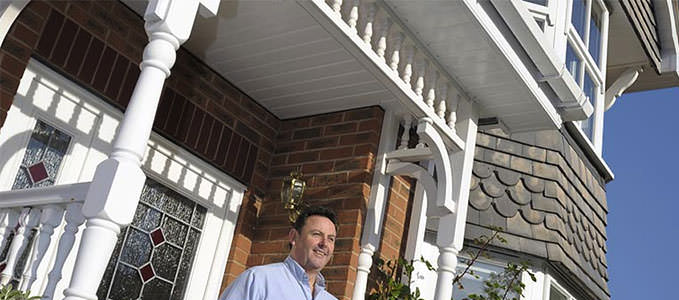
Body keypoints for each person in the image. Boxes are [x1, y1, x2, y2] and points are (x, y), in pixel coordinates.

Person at [219, 206, 339, 300]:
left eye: (331, 239)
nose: (324, 244)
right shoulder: (258, 280)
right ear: (293, 237)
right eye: (316, 234)